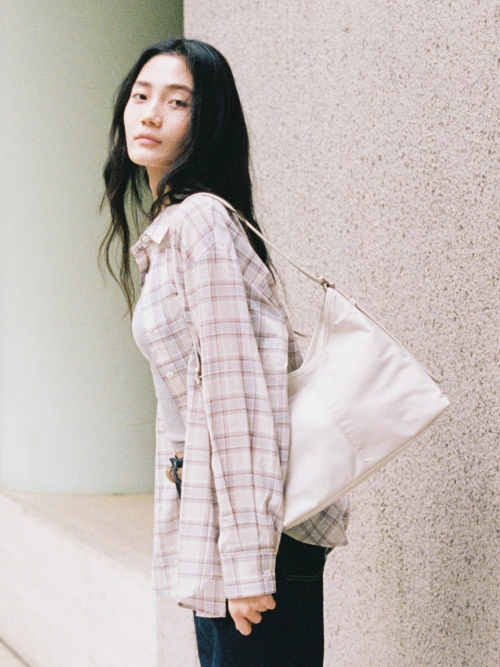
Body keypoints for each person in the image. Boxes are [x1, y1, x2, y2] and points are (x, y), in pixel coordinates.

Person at [100, 37, 350, 667]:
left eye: (177, 101)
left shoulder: (201, 223)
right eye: (141, 95)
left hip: (255, 537)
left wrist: (247, 564)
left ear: (206, 120)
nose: (150, 113)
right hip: (229, 523)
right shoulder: (175, 225)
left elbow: (238, 401)